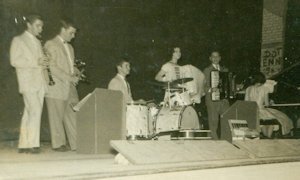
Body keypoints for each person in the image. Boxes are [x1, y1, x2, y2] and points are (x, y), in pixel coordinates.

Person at [10, 14, 48, 154]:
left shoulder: (38, 42)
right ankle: (33, 144)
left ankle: (24, 144)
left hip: (39, 82)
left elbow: (40, 62)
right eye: (38, 26)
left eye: (42, 26)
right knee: (35, 110)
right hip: (27, 81)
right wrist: (35, 63)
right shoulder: (18, 40)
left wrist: (44, 62)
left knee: (29, 113)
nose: (41, 29)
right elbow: (14, 61)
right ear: (29, 25)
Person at [44, 18, 79, 151]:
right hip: (56, 87)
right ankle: (58, 144)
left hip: (69, 86)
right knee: (56, 116)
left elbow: (70, 66)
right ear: (63, 30)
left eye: (74, 33)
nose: (73, 36)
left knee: (73, 114)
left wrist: (75, 72)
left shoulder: (70, 47)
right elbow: (51, 67)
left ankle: (76, 143)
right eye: (71, 33)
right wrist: (69, 78)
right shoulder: (51, 44)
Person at [245, 72, 293, 138]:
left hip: (251, 112)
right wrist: (271, 102)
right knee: (275, 119)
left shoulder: (248, 89)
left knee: (264, 123)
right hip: (261, 110)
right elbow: (267, 104)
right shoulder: (265, 89)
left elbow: (246, 102)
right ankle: (269, 138)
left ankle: (266, 138)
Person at [203, 51, 229, 139]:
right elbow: (202, 86)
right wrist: (211, 89)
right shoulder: (207, 70)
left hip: (223, 101)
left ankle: (225, 141)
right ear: (210, 58)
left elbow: (228, 85)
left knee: (226, 121)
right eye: (213, 56)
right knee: (214, 122)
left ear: (220, 58)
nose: (215, 58)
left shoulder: (225, 70)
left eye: (217, 56)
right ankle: (215, 142)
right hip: (212, 100)